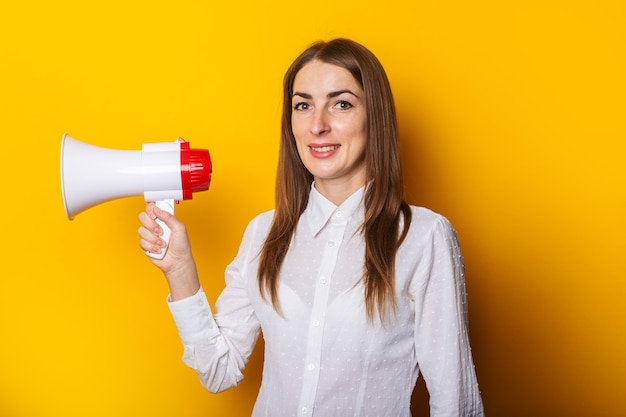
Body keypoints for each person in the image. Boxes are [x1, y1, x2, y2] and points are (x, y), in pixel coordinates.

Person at [138, 38, 484, 417]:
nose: (318, 125)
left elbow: (456, 402)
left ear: (375, 117)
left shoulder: (423, 237)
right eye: (303, 105)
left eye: (341, 104)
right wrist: (180, 270)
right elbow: (219, 371)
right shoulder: (262, 234)